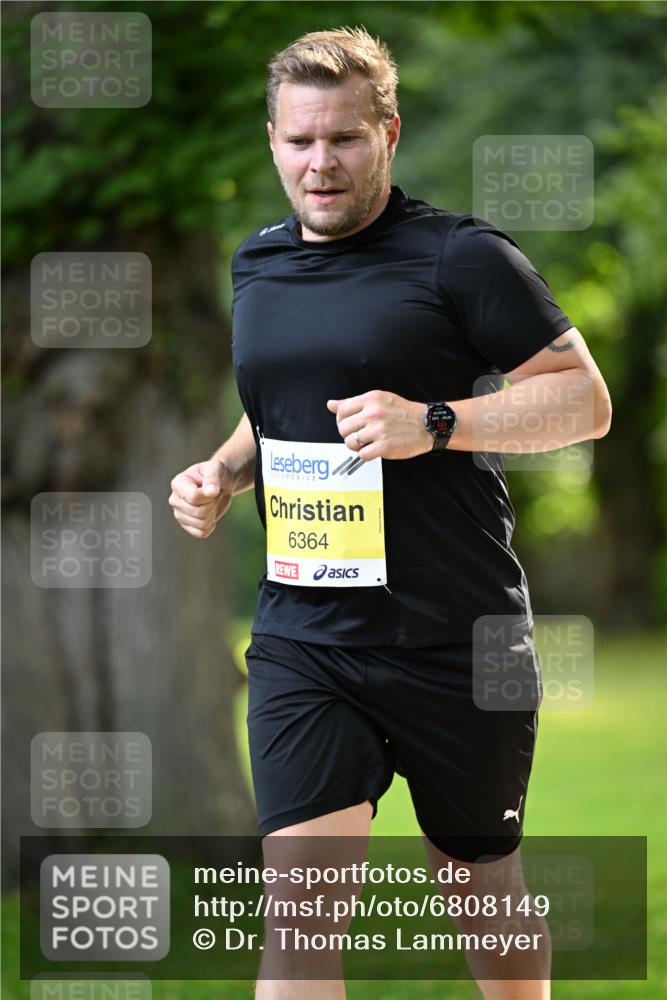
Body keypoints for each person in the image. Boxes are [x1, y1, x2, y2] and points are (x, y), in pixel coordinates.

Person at [169, 26, 611, 1000]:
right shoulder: (257, 265)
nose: (319, 163)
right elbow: (278, 404)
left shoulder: (462, 257)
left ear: (388, 134)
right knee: (300, 913)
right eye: (299, 141)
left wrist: (435, 420)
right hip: (307, 633)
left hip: (457, 634)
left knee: (482, 887)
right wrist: (223, 470)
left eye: (344, 140)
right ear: (273, 141)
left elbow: (582, 400)